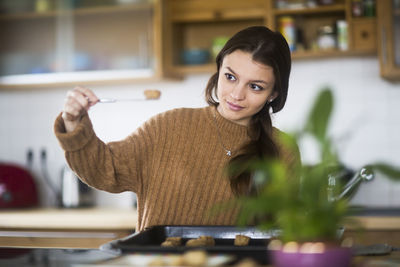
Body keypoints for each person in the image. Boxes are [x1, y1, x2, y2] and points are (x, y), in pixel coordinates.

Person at [54, 26, 300, 232]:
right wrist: (74, 120)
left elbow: (285, 232)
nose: (236, 94)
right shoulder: (168, 127)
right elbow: (105, 171)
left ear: (273, 94)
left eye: (255, 86)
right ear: (219, 70)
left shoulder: (283, 149)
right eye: (230, 77)